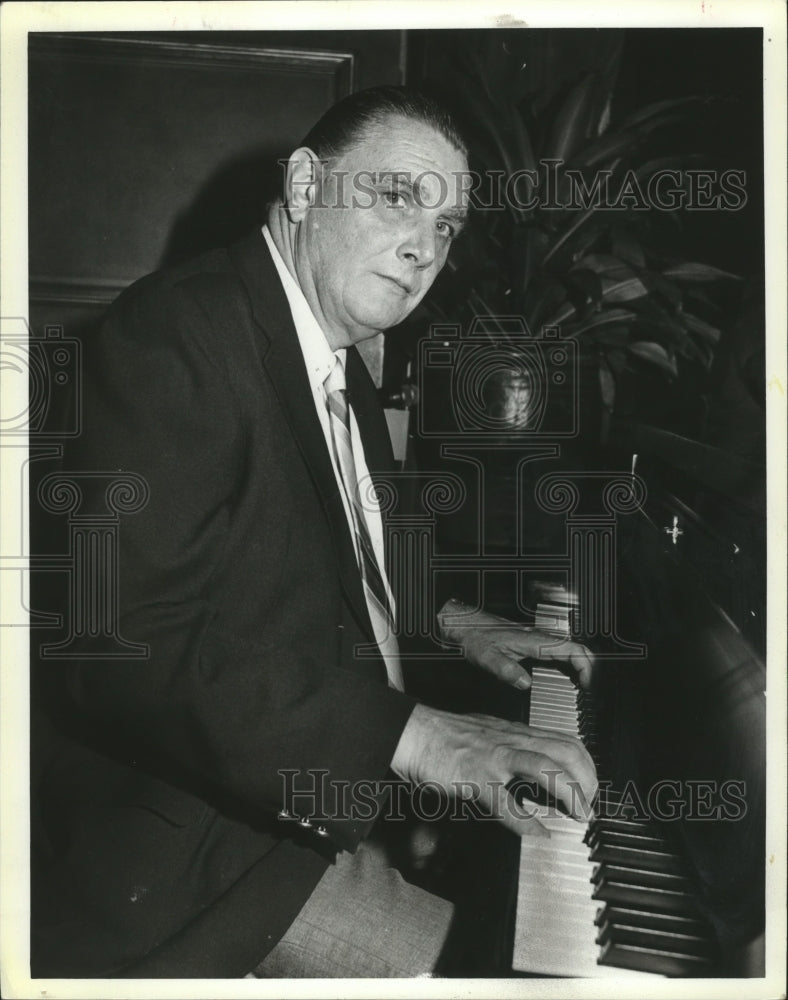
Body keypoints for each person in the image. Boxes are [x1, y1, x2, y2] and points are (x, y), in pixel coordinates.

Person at [30, 86, 596, 979]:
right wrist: (418, 739)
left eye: (447, 226)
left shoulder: (333, 354)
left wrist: (451, 619)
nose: (423, 247)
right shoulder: (172, 334)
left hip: (317, 805)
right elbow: (121, 646)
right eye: (397, 197)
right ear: (304, 185)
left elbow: (321, 560)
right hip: (201, 857)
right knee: (515, 976)